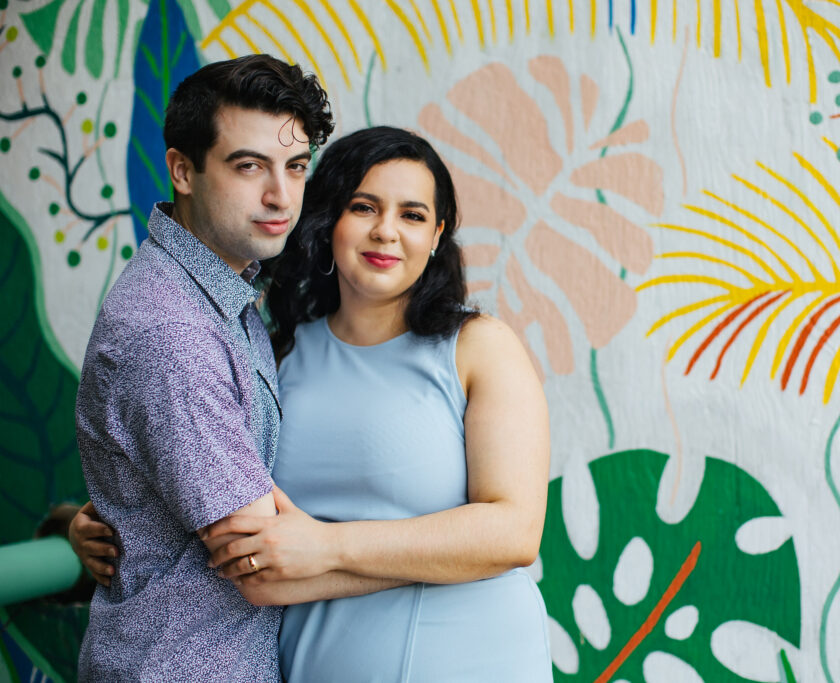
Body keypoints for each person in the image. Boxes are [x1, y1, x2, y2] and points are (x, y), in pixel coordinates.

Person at [198, 126, 554, 681]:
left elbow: (512, 534)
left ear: (437, 235)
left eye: (412, 215)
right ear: (328, 220)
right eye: (364, 207)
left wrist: (327, 547)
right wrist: (88, 523)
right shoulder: (272, 357)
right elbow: (250, 555)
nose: (386, 231)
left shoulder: (480, 347)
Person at [71, 53, 353, 681]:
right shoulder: (172, 330)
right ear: (183, 170)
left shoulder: (224, 291)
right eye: (249, 166)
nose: (281, 195)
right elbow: (261, 563)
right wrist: (452, 562)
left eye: (296, 166)